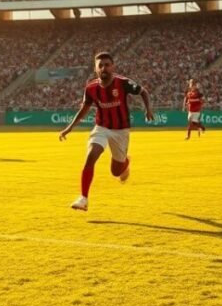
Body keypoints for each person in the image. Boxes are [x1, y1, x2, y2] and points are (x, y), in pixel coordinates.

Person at [58, 52, 153, 212]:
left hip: (121, 130)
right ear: (95, 69)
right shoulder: (91, 88)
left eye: (107, 65)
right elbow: (84, 108)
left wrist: (148, 109)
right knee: (91, 156)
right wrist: (70, 127)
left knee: (116, 172)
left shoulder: (123, 83)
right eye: (100, 65)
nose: (104, 68)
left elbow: (143, 91)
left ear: (112, 67)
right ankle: (83, 198)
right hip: (101, 127)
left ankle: (125, 162)